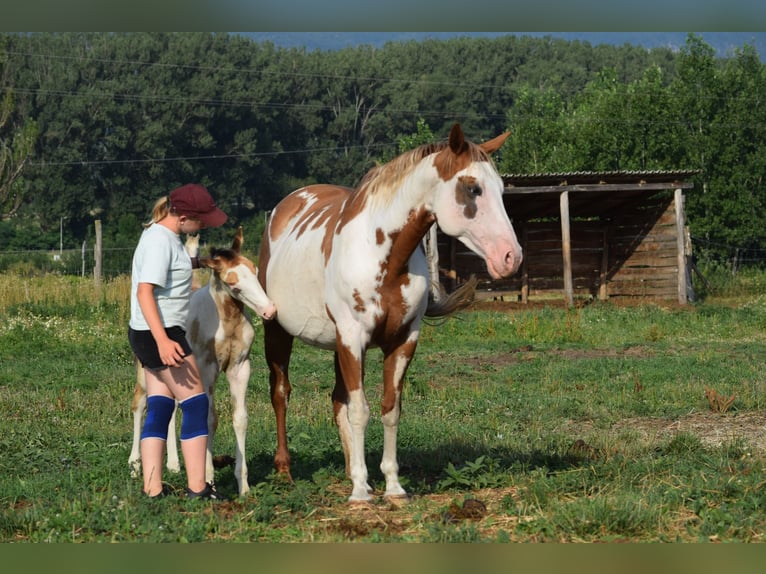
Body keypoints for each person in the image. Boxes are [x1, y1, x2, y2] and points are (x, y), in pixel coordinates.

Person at [128, 183, 228, 500]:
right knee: (196, 405)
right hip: (161, 333)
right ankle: (198, 488)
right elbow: (145, 292)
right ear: (184, 217)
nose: (204, 226)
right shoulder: (160, 242)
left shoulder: (164, 236)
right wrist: (162, 341)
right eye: (201, 220)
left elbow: (171, 271)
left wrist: (201, 263)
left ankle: (153, 489)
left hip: (147, 332)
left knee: (160, 406)